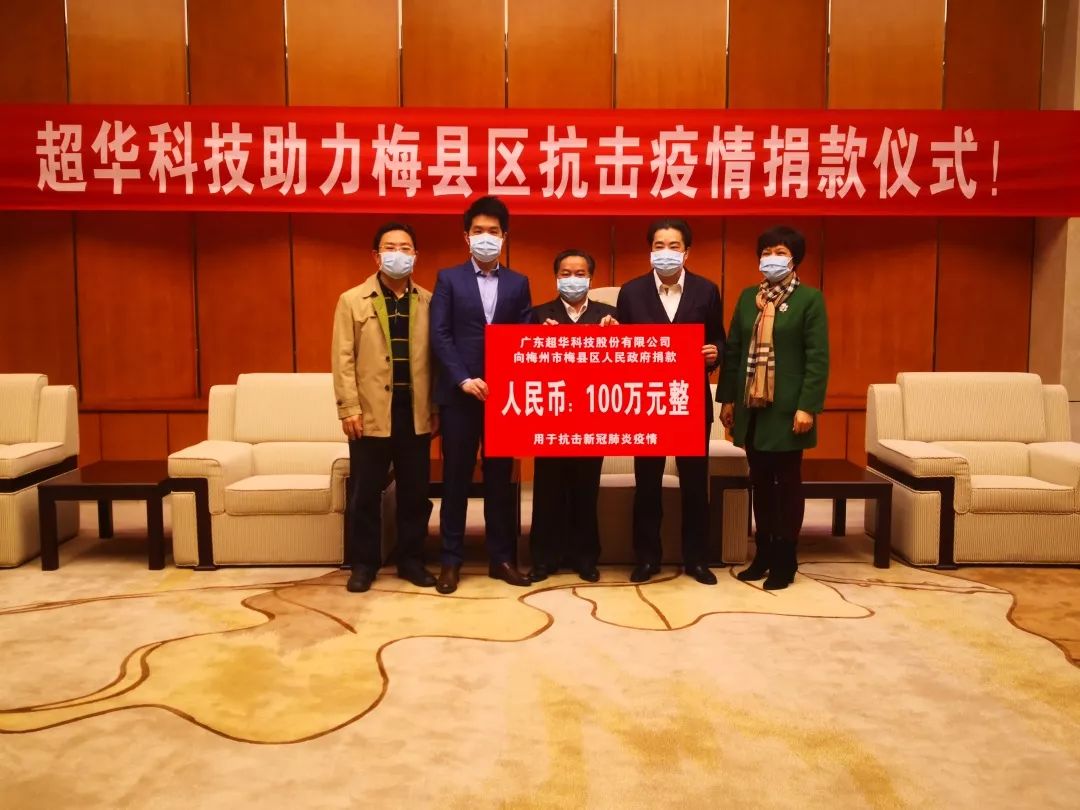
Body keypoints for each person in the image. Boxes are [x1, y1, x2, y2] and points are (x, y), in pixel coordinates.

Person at [430, 196, 534, 594]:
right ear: (466, 236)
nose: (485, 237)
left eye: (493, 231)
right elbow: (440, 334)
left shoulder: (518, 283)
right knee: (455, 480)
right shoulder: (448, 279)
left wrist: (505, 379)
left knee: (499, 482)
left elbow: (523, 335)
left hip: (503, 398)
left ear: (504, 237)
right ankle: (451, 561)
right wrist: (462, 379)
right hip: (459, 396)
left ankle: (501, 558)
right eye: (478, 231)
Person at [717, 225, 829, 590]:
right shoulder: (749, 296)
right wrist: (728, 399)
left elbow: (817, 358)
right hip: (752, 407)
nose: (771, 258)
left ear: (795, 259)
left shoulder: (809, 299)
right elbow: (734, 350)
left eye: (779, 252)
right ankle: (763, 554)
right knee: (761, 483)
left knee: (787, 485)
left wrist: (807, 407)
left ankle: (786, 559)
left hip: (788, 409)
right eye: (766, 252)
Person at [615, 218, 725, 585]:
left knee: (694, 485)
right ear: (650, 251)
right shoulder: (631, 293)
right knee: (647, 485)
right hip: (646, 402)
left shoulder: (706, 290)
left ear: (686, 252)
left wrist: (715, 353)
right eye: (659, 246)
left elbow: (719, 339)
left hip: (690, 401)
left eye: (674, 246)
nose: (666, 252)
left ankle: (696, 560)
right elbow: (621, 347)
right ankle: (647, 558)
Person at [332, 222, 437, 593]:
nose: (398, 254)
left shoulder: (428, 301)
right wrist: (348, 408)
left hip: (415, 412)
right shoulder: (351, 300)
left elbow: (436, 360)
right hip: (370, 411)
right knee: (365, 494)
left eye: (405, 248)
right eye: (390, 248)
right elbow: (343, 358)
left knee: (415, 494)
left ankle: (411, 560)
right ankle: (364, 564)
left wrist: (435, 407)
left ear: (415, 256)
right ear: (376, 256)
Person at [528, 249, 618, 583]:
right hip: (550, 416)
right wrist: (537, 340)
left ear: (591, 278)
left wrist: (617, 337)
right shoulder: (538, 315)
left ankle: (585, 558)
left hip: (592, 416)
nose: (573, 279)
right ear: (556, 277)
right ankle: (543, 558)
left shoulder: (609, 315)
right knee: (547, 490)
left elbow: (627, 364)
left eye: (580, 273)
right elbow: (520, 361)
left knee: (585, 490)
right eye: (566, 273)